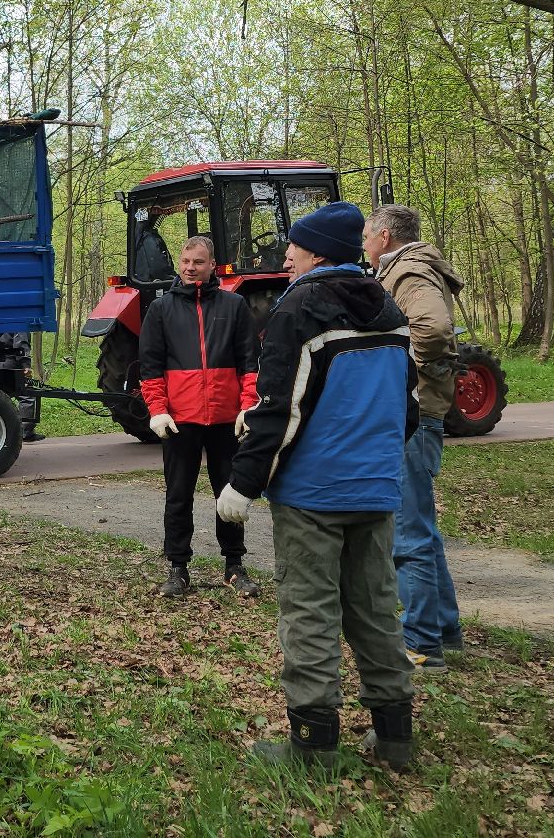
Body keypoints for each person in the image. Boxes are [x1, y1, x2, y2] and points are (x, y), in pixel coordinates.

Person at [214, 202, 418, 772]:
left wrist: (242, 483)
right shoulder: (388, 305)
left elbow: (279, 408)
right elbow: (406, 408)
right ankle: (395, 737)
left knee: (309, 612)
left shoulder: (300, 307)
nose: (286, 256)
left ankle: (313, 746)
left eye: (295, 248)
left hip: (313, 493)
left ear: (319, 253)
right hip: (376, 488)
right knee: (376, 609)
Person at [365, 204, 465, 670]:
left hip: (414, 413)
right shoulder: (410, 268)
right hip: (419, 410)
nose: (364, 244)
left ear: (384, 236)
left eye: (367, 236)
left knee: (408, 531)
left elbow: (434, 329)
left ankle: (422, 642)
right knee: (421, 525)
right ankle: (444, 629)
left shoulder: (408, 274)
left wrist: (400, 371)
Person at [138, 235, 260, 599]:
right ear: (180, 263)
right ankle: (178, 567)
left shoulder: (235, 306)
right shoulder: (160, 310)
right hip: (181, 420)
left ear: (211, 266)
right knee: (178, 494)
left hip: (226, 420)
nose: (191, 268)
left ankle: (234, 566)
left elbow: (249, 361)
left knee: (230, 492)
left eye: (199, 262)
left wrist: (247, 405)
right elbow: (150, 367)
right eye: (186, 261)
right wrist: (157, 410)